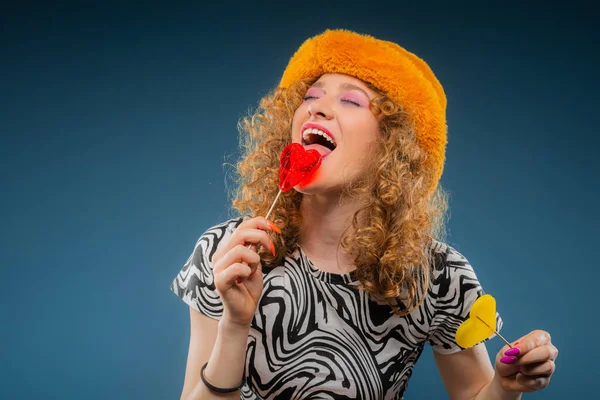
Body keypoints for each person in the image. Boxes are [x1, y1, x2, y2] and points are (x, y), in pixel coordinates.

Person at [170, 29, 558, 400]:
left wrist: (507, 388)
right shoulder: (231, 254)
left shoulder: (436, 275)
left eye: (351, 101)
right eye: (310, 96)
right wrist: (235, 325)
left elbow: (475, 395)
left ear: (393, 146)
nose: (317, 107)